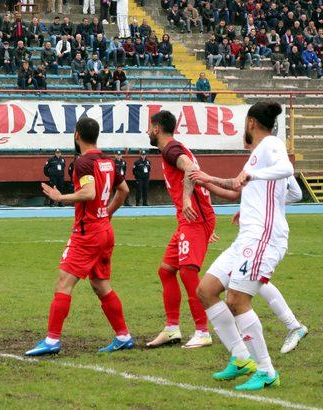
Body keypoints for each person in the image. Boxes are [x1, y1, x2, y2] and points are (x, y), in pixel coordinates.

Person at [191, 102, 295, 390]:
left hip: (262, 235)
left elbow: (286, 168)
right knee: (206, 290)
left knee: (237, 300)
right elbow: (290, 190)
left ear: (251, 123)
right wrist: (252, 201)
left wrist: (258, 181)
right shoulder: (257, 155)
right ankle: (241, 358)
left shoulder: (271, 144)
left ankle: (266, 370)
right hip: (247, 234)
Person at [25, 118, 132, 356]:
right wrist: (108, 212)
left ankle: (52, 341)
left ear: (76, 135)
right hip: (104, 230)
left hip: (88, 233)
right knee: (100, 284)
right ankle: (123, 335)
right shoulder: (108, 161)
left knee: (64, 281)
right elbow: (124, 190)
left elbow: (89, 192)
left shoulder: (83, 162)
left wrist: (60, 197)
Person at [145, 111, 215, 349]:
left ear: (156, 129)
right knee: (166, 271)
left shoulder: (170, 150)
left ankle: (203, 330)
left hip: (193, 219)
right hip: (192, 221)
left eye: (148, 127)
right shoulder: (175, 148)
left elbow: (190, 168)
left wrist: (187, 200)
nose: (147, 132)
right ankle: (172, 328)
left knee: (187, 272)